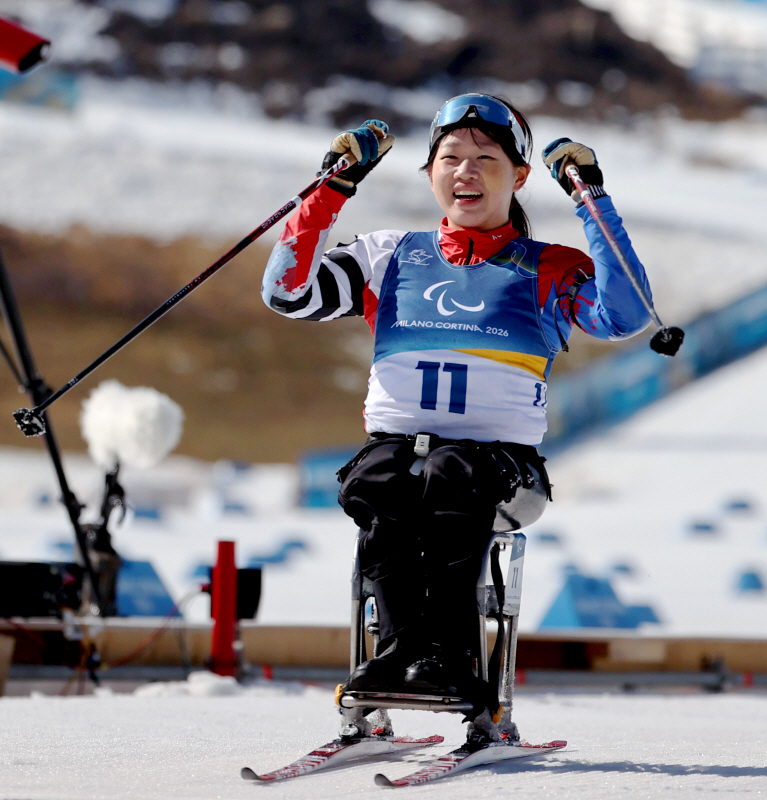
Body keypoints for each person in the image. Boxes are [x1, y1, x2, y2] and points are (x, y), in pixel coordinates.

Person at [261, 93, 655, 718]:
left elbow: (627, 314)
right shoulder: (388, 255)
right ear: (429, 172)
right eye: (449, 158)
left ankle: (450, 659)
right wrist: (331, 188)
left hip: (503, 467)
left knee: (449, 475)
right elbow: (287, 292)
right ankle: (395, 654)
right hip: (396, 452)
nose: (464, 172)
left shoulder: (548, 268)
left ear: (519, 175)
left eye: (484, 158)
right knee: (379, 480)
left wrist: (590, 198)